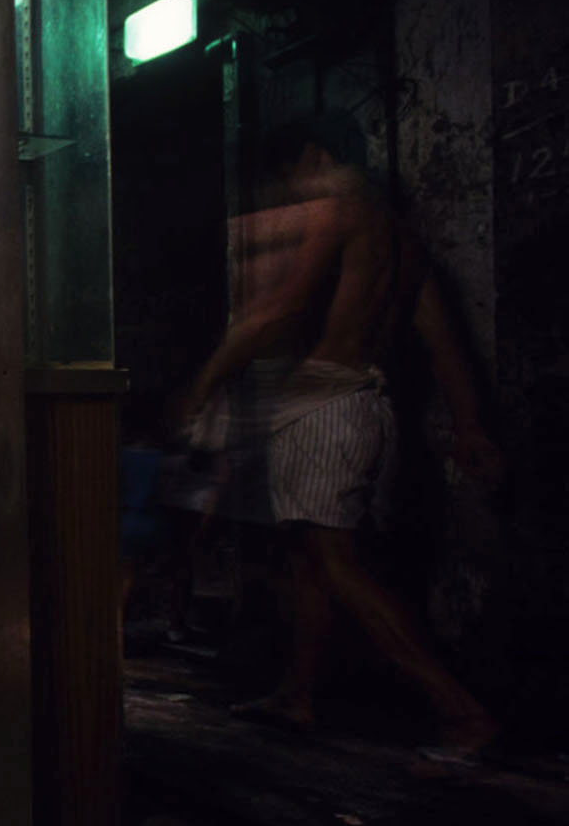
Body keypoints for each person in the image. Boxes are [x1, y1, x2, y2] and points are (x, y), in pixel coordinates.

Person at [179, 114, 501, 764]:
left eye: (290, 177)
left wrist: (204, 384)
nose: (291, 197)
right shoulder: (405, 244)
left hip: (327, 408)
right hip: (361, 408)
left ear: (314, 157)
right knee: (307, 555)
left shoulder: (337, 210)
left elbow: (278, 311)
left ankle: (463, 713)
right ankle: (299, 693)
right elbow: (443, 345)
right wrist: (469, 427)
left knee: (335, 560)